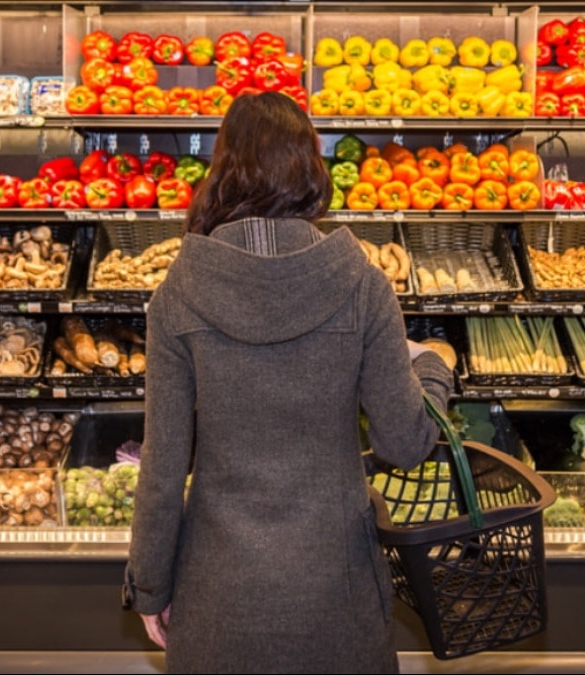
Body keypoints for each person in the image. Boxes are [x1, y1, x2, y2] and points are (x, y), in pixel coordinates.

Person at [124, 91, 455, 674]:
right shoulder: (363, 285)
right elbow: (405, 443)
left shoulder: (176, 293)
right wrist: (431, 367)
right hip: (337, 597)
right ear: (311, 167)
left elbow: (163, 466)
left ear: (222, 170)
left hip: (217, 598)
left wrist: (149, 586)